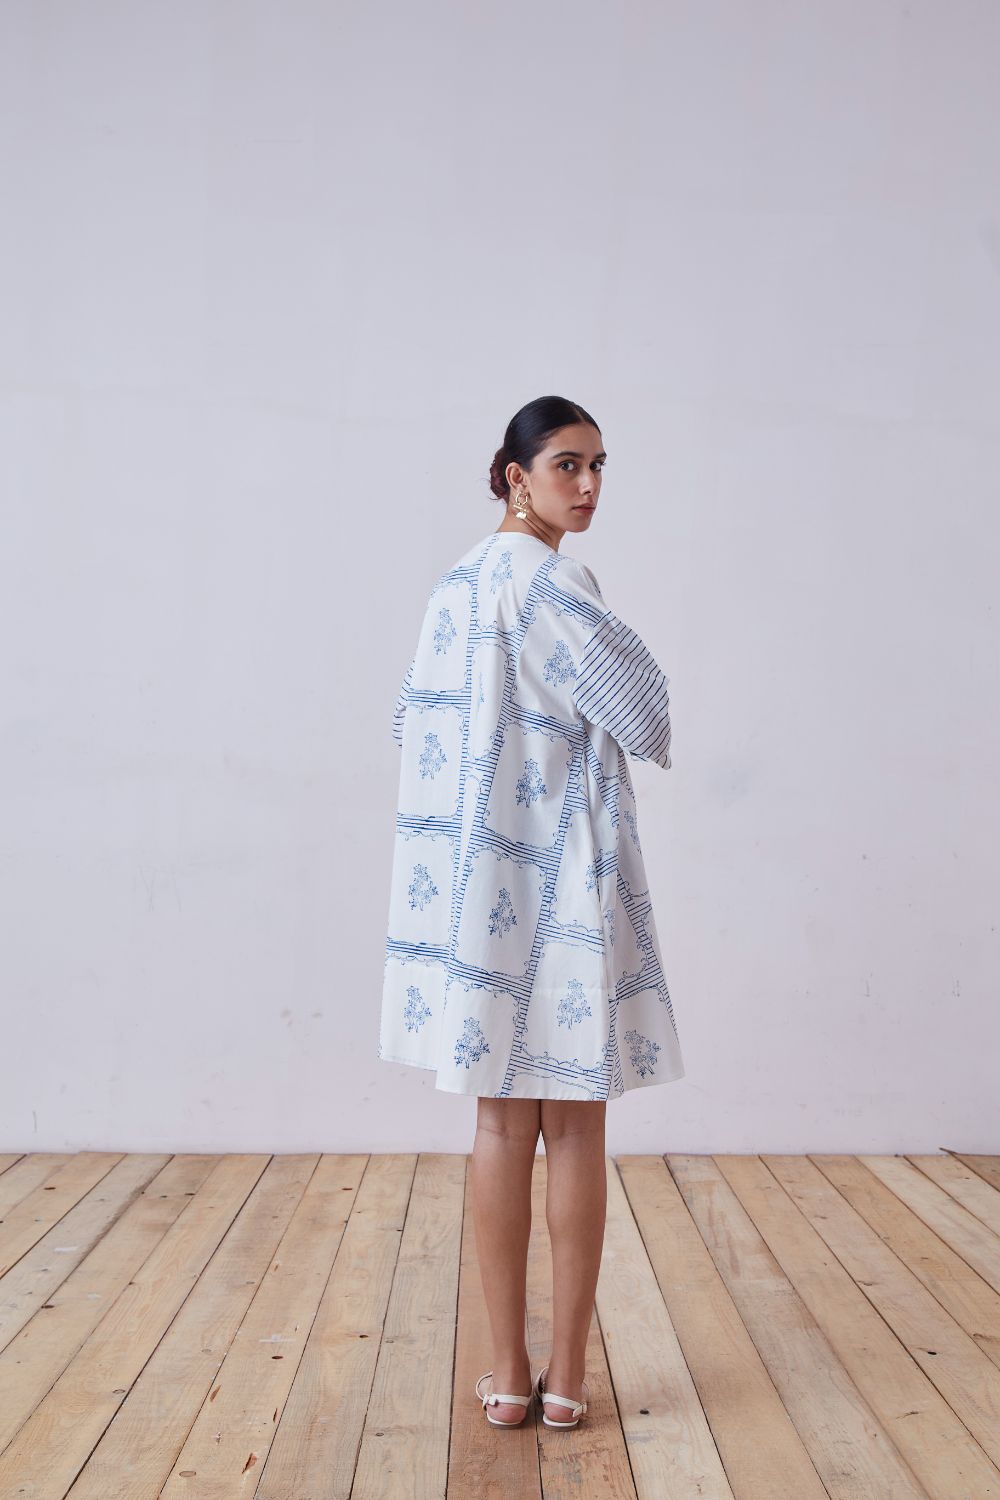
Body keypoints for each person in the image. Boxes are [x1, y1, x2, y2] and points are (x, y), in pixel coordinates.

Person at [379, 394, 684, 1430]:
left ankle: (508, 1377)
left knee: (501, 1122)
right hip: (565, 878)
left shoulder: (454, 587)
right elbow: (646, 716)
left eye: (598, 466)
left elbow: (412, 727)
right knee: (577, 1123)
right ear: (515, 476)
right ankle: (568, 1379)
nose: (588, 486)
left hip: (482, 891)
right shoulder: (557, 582)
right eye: (566, 465)